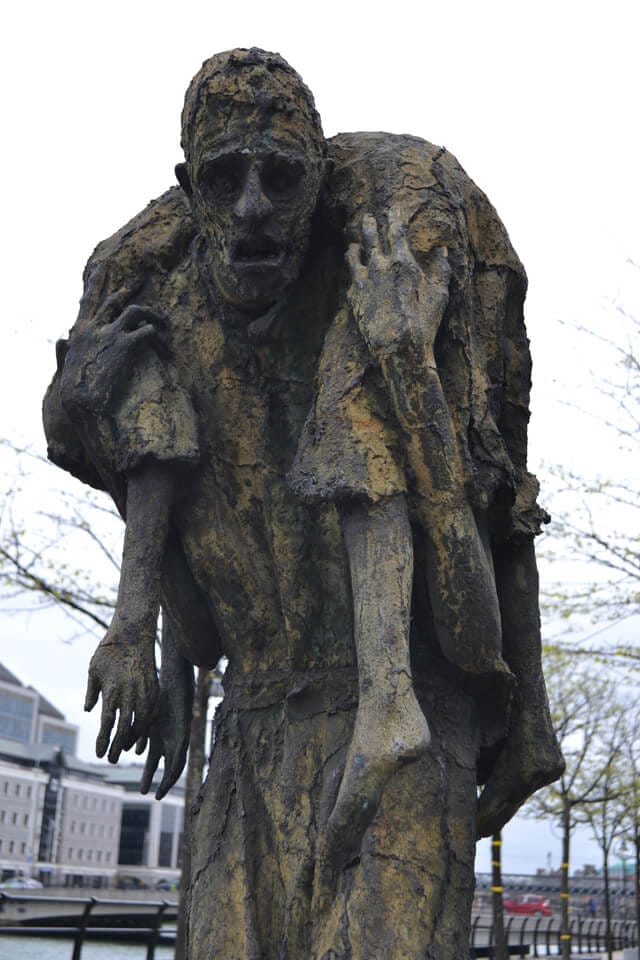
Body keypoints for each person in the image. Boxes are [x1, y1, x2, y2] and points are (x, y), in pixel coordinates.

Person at [44, 48, 563, 958]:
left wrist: (406, 363)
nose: (252, 208)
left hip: (397, 721)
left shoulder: (391, 239)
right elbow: (191, 566)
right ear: (190, 189)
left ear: (318, 179)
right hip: (251, 725)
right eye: (224, 180)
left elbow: (488, 540)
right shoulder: (154, 293)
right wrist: (152, 632)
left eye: (281, 178)